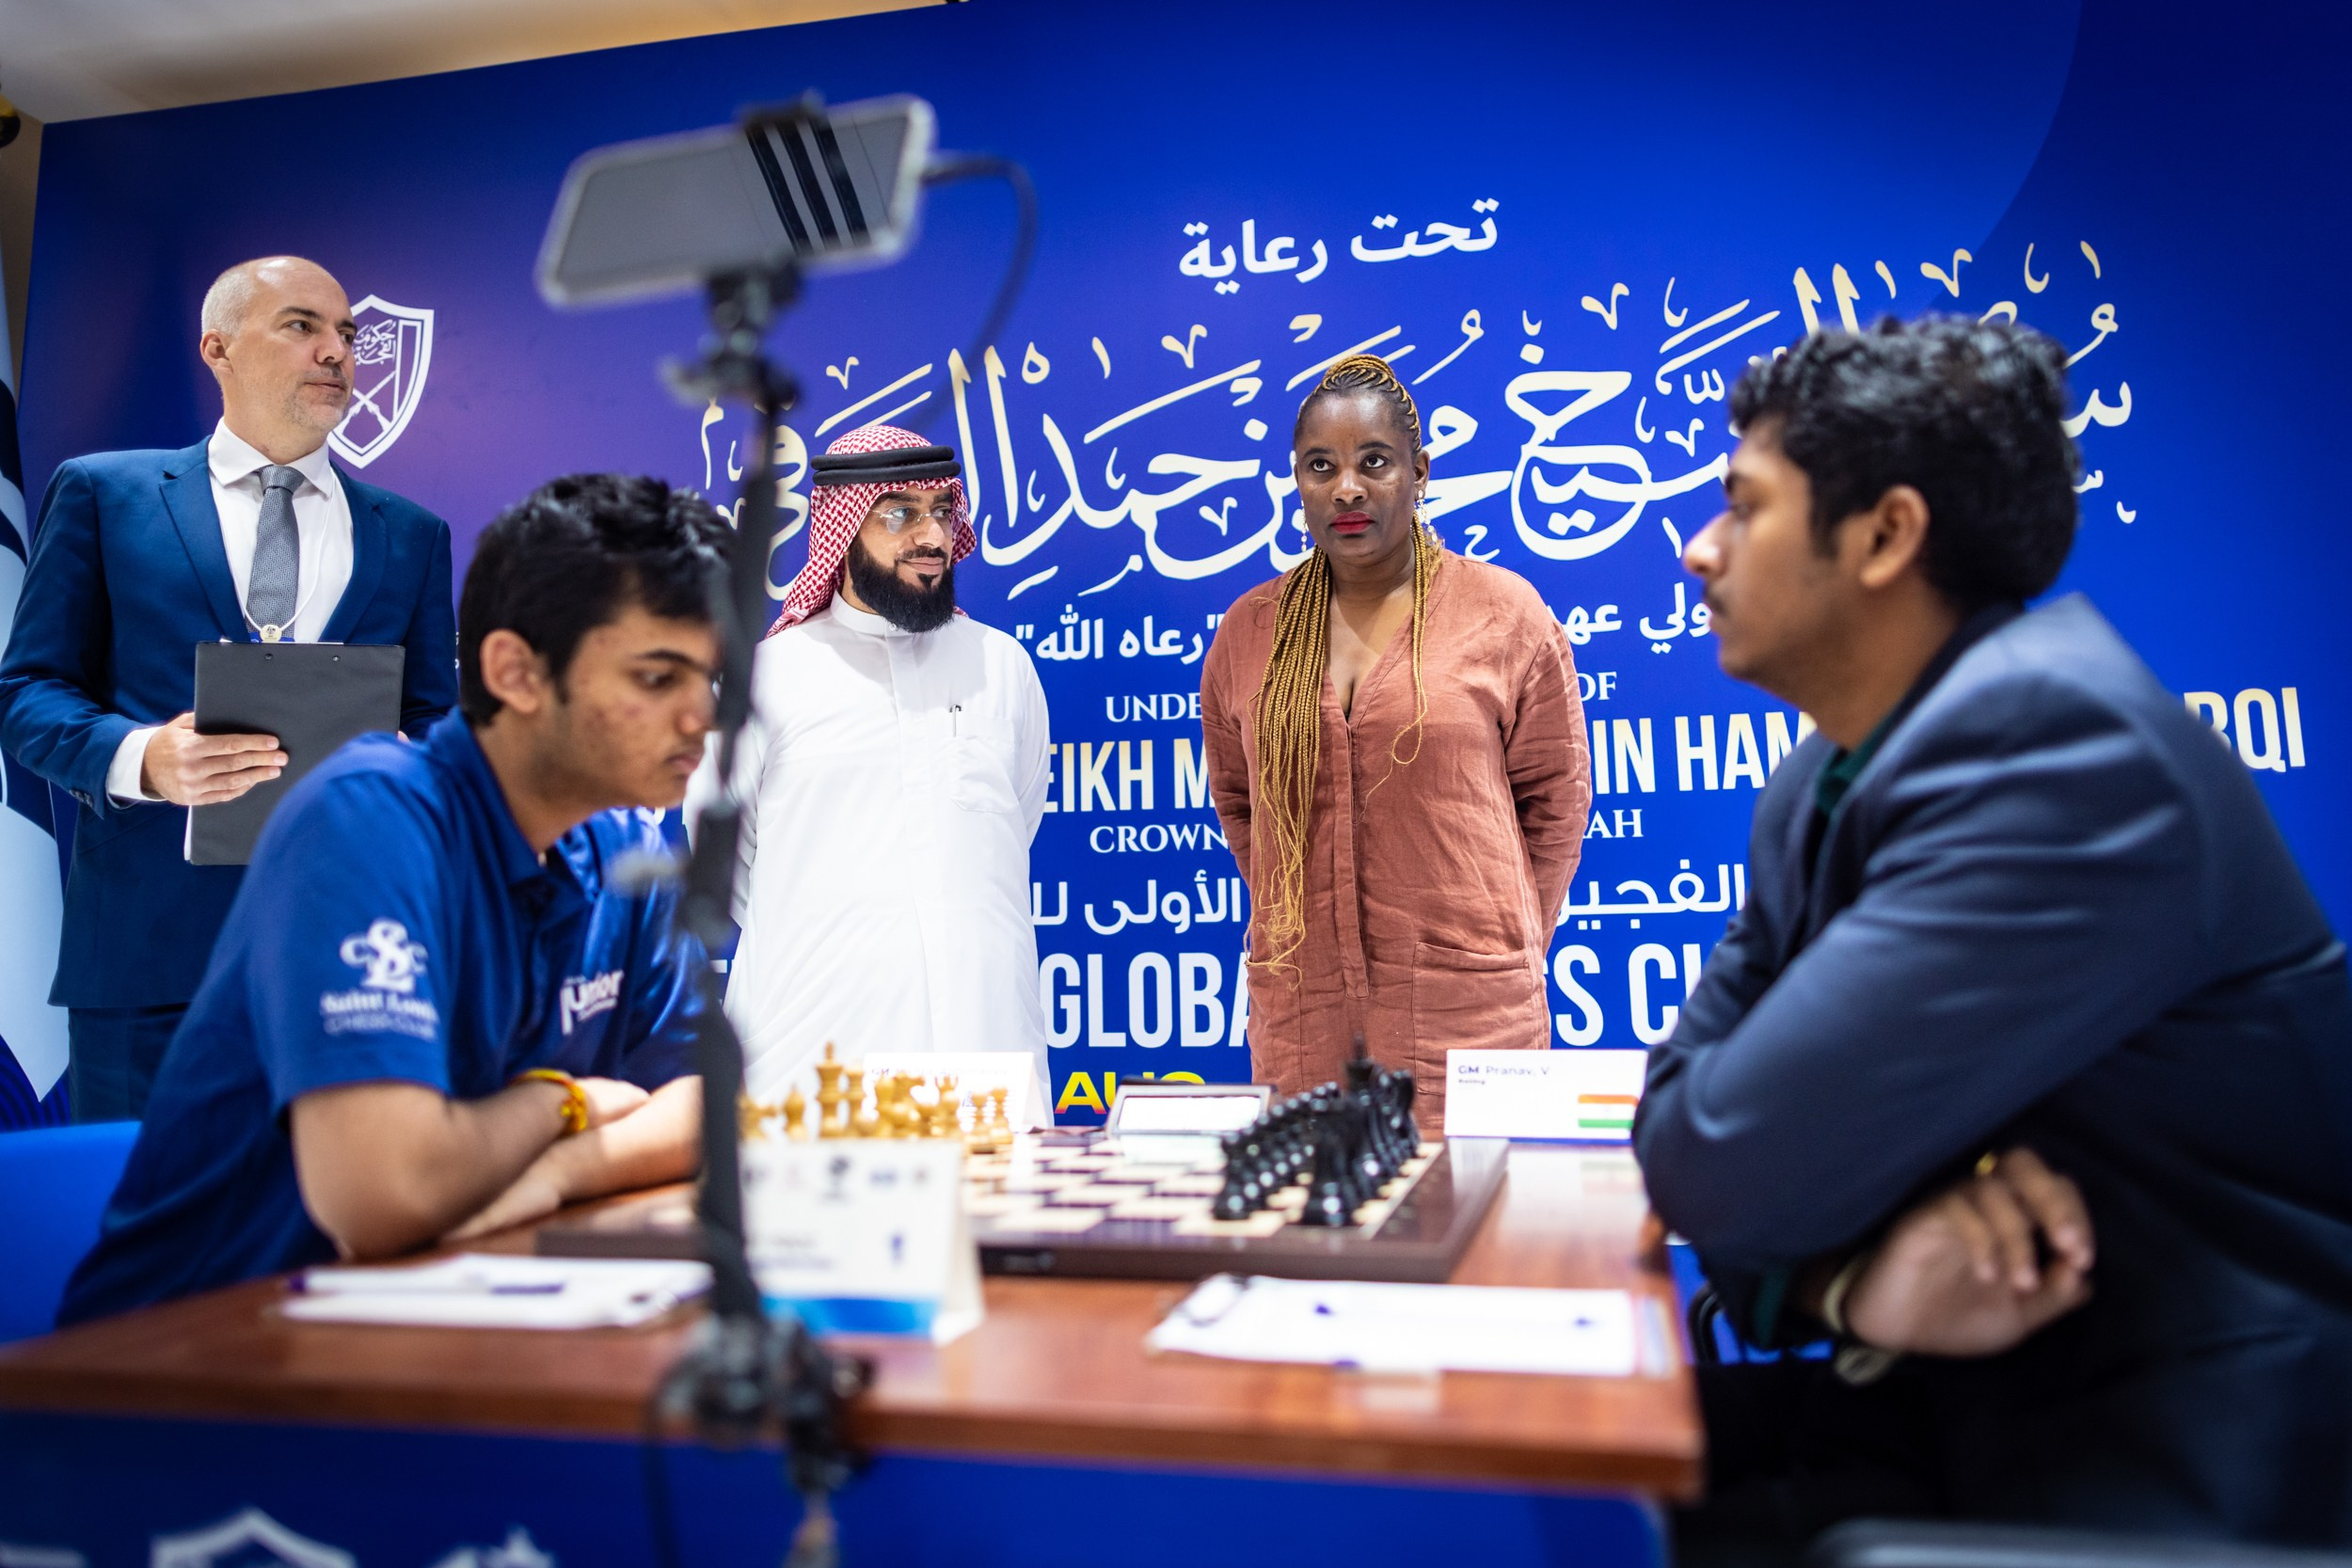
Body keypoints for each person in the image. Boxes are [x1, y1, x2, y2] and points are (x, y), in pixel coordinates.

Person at [1634, 317, 2352, 1548]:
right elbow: (1685, 1125)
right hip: (1948, 1406)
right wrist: (1850, 1282)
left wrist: (1804, 1245)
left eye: (1742, 507)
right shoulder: (1826, 770)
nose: (1700, 550)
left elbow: (1718, 1148)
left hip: (2173, 1460)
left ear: (1884, 533)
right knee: (1564, 1493)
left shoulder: (2059, 748)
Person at [57, 474, 721, 1324]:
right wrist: (569, 1101)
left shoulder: (624, 846)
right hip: (181, 1378)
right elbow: (385, 1195)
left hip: (429, 1332)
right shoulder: (368, 818)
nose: (701, 716)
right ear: (514, 671)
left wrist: (560, 1169)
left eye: (710, 676)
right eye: (659, 677)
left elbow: (706, 1106)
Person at [0, 256, 457, 1122]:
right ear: (218, 347)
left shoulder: (412, 534)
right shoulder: (105, 493)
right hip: (147, 963)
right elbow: (26, 691)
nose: (338, 351)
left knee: (327, 1243)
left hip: (350, 956)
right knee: (144, 1241)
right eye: (301, 326)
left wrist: (412, 766)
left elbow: (434, 715)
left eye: (347, 334)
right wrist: (145, 757)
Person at [1200, 356, 1590, 1123]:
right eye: (1321, 466)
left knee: (1476, 1233)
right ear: (1298, 482)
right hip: (1304, 1021)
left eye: (1373, 462)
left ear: (1420, 472)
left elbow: (1556, 797)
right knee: (1316, 1234)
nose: (1346, 488)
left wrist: (1494, 937)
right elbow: (1238, 799)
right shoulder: (1251, 631)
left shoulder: (1504, 613)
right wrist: (1297, 903)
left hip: (1470, 1020)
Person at [704, 423, 1050, 1100]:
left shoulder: (1000, 667)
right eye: (899, 513)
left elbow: (1015, 822)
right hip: (812, 1069)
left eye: (942, 511)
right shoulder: (766, 677)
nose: (933, 537)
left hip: (985, 1070)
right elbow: (727, 864)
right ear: (843, 529)